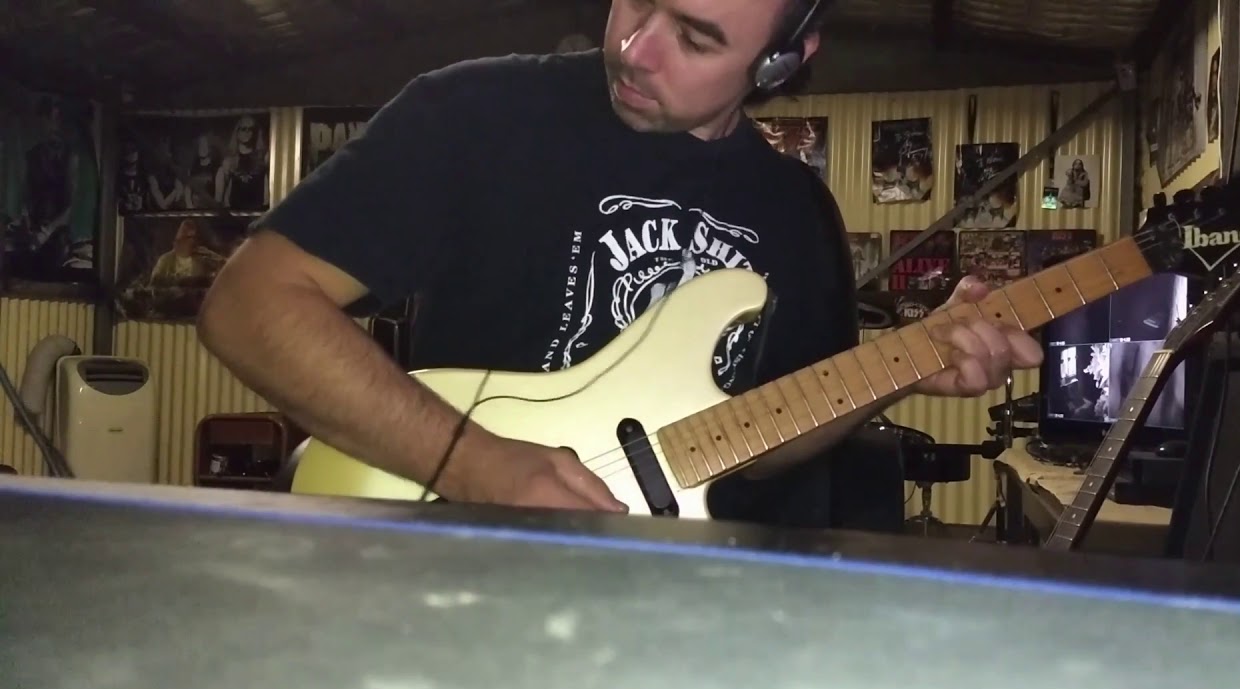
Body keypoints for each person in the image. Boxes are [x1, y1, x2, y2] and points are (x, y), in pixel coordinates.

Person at [197, 0, 1042, 523]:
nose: (636, 48)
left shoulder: (797, 213)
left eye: (696, 37)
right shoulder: (478, 114)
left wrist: (904, 366)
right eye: (637, 0)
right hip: (448, 570)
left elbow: (755, 441)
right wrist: (475, 463)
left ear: (783, 62)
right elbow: (250, 304)